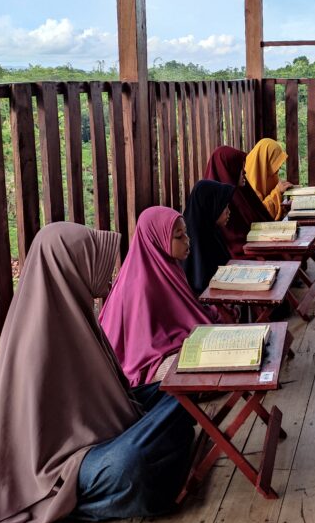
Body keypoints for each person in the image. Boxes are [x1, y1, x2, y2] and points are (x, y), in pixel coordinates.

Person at [0, 223, 195, 523]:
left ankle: (149, 467)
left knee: (178, 396)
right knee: (131, 464)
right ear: (69, 267)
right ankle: (81, 506)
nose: (108, 275)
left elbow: (110, 397)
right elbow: (30, 453)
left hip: (96, 437)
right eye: (91, 262)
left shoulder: (75, 315)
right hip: (60, 468)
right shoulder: (33, 341)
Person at [100, 206, 217, 387]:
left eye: (185, 233)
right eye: (179, 236)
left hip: (167, 345)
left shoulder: (168, 266)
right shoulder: (140, 285)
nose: (187, 240)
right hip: (146, 361)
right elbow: (142, 349)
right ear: (157, 238)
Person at [204, 145, 272, 258]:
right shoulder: (217, 204)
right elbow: (235, 244)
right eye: (240, 168)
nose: (244, 172)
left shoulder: (242, 192)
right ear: (229, 170)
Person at [183, 179, 235, 296]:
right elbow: (202, 284)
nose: (228, 212)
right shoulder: (194, 240)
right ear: (210, 205)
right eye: (224, 206)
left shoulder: (212, 231)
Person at [245, 138, 292, 220]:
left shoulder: (269, 174)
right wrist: (277, 191)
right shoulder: (246, 179)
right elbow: (258, 214)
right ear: (265, 160)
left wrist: (284, 205)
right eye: (275, 162)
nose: (278, 168)